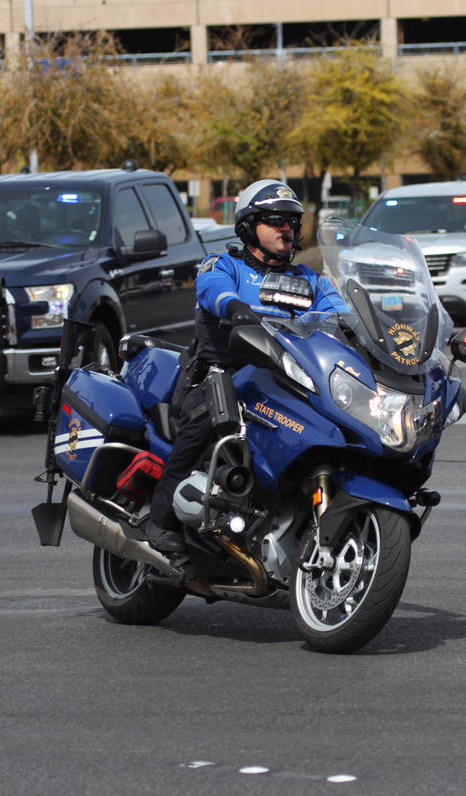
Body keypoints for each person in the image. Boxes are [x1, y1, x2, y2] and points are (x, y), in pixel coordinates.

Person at [138, 179, 348, 556]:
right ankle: (160, 519)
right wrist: (234, 308)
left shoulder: (311, 281)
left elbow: (343, 317)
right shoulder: (225, 264)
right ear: (249, 225)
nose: (286, 229)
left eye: (291, 222)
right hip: (221, 377)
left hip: (289, 384)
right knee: (205, 421)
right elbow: (213, 289)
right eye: (274, 220)